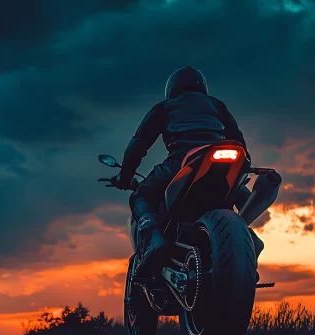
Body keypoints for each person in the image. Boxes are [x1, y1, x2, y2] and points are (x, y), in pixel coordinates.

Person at [111, 66, 259, 276]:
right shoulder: (217, 105)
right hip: (223, 161)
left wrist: (124, 176)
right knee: (235, 192)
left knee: (139, 195)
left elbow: (138, 145)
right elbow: (238, 139)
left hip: (182, 161)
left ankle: (154, 239)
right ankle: (250, 245)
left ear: (172, 88)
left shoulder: (166, 107)